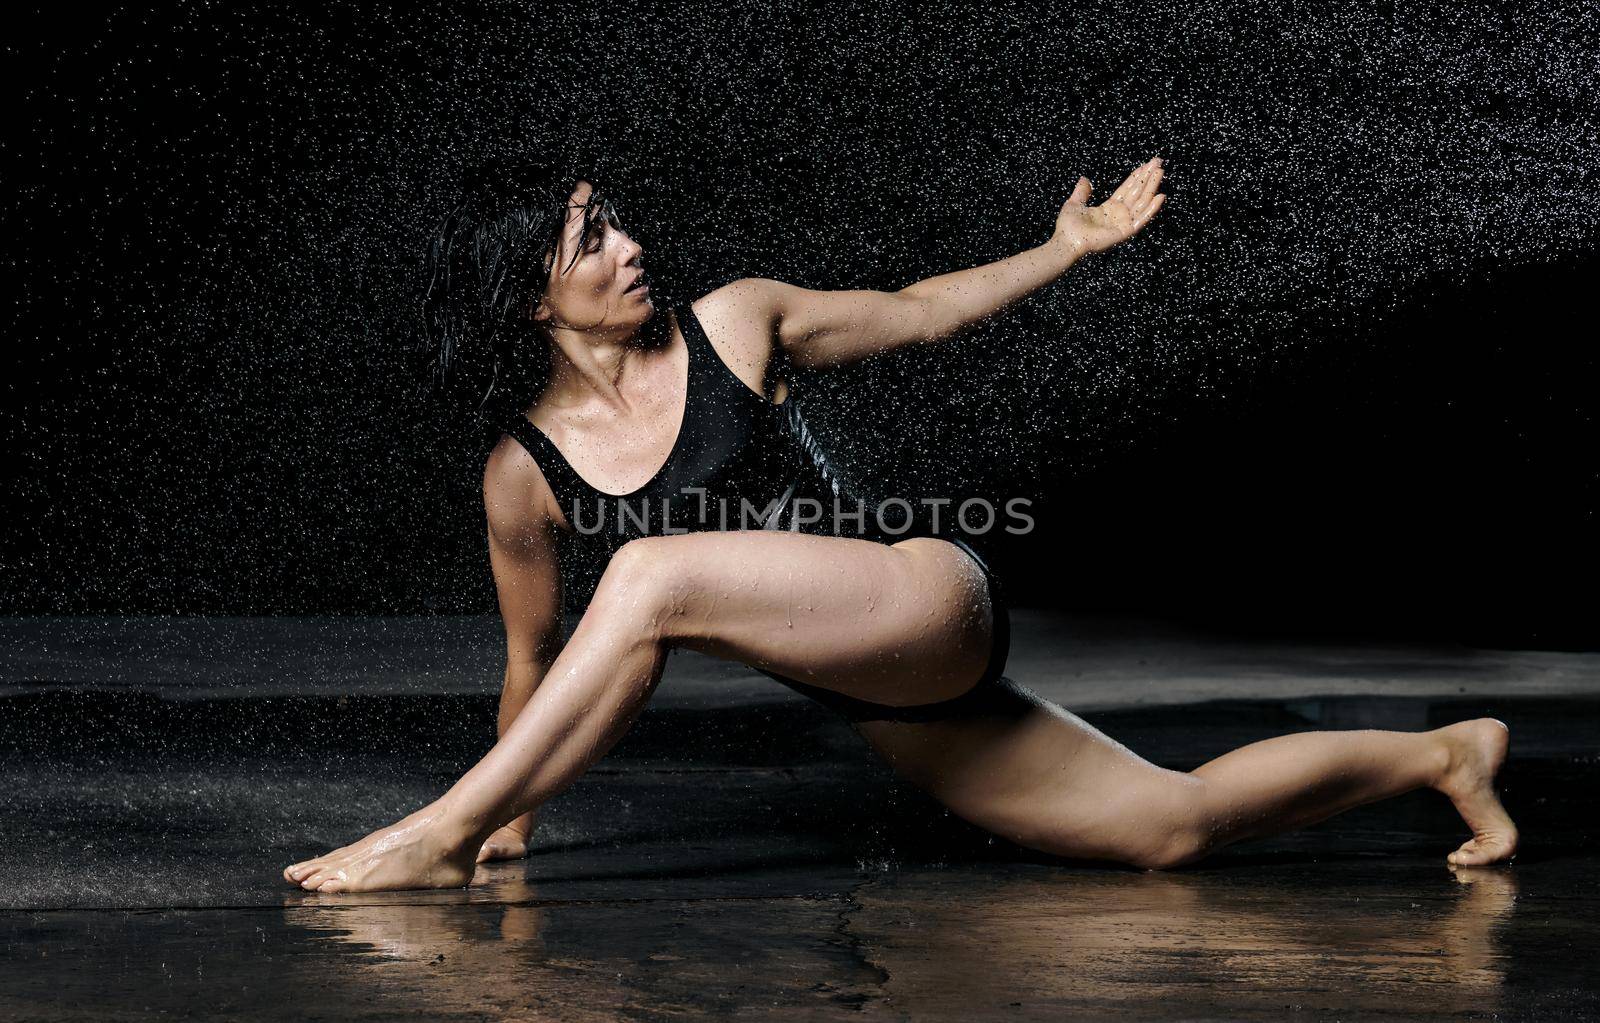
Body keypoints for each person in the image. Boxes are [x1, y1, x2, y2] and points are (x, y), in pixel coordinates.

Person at [284, 159, 1517, 893]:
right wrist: (518, 817)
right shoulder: (524, 472)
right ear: (527, 293)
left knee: (652, 572)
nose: (630, 244)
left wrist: (1061, 250)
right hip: (880, 694)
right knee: (1164, 829)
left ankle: (427, 839)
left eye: (615, 217)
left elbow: (920, 310)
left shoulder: (734, 323)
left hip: (923, 597)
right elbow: (535, 660)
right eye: (590, 237)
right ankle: (1446, 757)